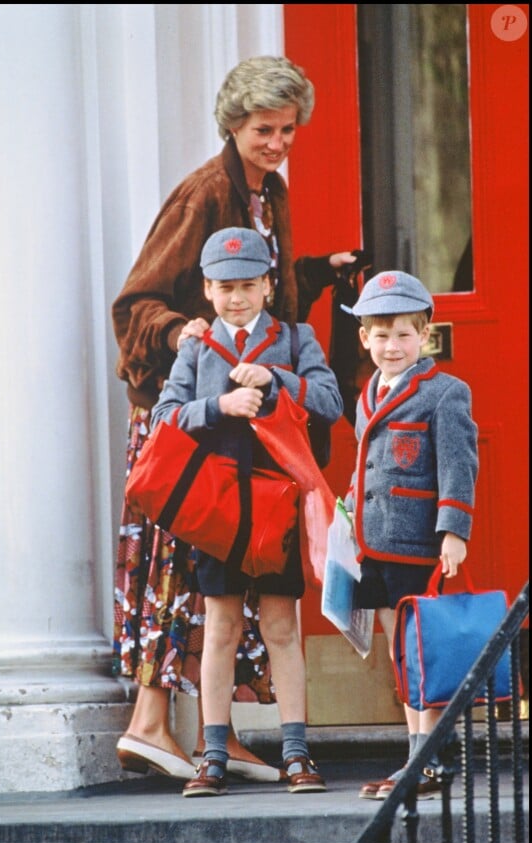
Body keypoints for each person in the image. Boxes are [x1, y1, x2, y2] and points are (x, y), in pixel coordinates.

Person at [111, 54, 361, 782]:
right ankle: (152, 723)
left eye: (287, 129)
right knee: (182, 570)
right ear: (232, 123)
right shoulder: (203, 194)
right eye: (263, 129)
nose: (278, 142)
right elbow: (139, 304)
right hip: (191, 422)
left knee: (231, 587)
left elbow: (267, 296)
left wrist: (317, 271)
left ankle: (218, 736)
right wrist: (178, 334)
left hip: (249, 426)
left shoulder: (269, 192)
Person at [149, 226, 342, 797]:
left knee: (283, 627)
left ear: (266, 287)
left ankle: (297, 754)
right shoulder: (197, 347)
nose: (237, 298)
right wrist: (219, 405)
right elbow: (165, 416)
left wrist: (277, 380)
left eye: (248, 286)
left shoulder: (295, 338)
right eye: (225, 287)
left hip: (277, 505)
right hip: (218, 512)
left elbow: (330, 401)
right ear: (207, 290)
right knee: (221, 630)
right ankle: (213, 754)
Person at [341, 270, 478, 801]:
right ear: (364, 339)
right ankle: (415, 753)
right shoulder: (367, 394)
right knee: (400, 656)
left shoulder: (445, 393)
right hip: (374, 543)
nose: (392, 346)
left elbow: (459, 465)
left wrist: (454, 531)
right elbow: (365, 469)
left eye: (403, 334)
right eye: (381, 335)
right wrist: (346, 520)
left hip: (418, 543)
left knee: (425, 649)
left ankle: (434, 755)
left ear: (424, 335)